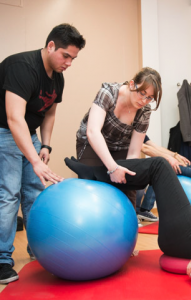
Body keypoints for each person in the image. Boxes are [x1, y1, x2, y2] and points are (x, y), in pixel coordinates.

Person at [0, 23, 86, 284]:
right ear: (51, 46)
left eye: (73, 58)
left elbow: (49, 112)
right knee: (8, 195)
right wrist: (34, 160)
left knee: (34, 193)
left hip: (30, 136)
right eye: (66, 56)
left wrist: (45, 146)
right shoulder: (21, 67)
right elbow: (14, 118)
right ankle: (2, 260)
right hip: (4, 133)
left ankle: (37, 247)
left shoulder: (58, 76)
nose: (69, 63)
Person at [76, 67, 162, 207]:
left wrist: (127, 174)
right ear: (132, 84)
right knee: (94, 185)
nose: (144, 100)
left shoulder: (144, 111)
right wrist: (113, 168)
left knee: (128, 185)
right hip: (92, 143)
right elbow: (93, 132)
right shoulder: (109, 93)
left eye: (150, 98)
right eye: (142, 93)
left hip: (121, 146)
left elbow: (134, 151)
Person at [136, 135, 190, 222]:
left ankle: (144, 210)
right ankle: (134, 213)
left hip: (133, 162)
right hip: (119, 165)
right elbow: (144, 148)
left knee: (157, 171)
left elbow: (155, 147)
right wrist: (169, 157)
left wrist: (176, 155)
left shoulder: (140, 131)